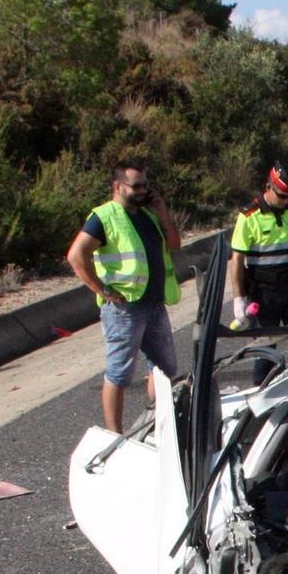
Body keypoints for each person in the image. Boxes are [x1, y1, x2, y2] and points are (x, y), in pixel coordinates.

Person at [67, 161, 182, 433]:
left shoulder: (149, 215)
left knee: (165, 369)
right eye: (137, 185)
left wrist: (163, 213)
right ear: (118, 186)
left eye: (146, 185)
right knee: (119, 373)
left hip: (154, 303)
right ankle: (114, 435)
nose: (143, 191)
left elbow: (174, 245)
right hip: (125, 309)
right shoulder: (104, 217)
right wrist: (102, 290)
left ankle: (158, 424)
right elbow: (76, 255)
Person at [230, 163, 288, 335]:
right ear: (268, 187)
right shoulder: (249, 216)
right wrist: (238, 298)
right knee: (266, 350)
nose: (286, 200)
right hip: (263, 293)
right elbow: (237, 261)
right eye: (281, 196)